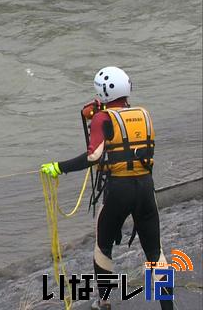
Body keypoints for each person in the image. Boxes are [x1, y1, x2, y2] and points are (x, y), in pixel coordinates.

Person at [40, 66, 172, 310]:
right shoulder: (144, 114)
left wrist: (59, 167)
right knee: (154, 252)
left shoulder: (102, 118)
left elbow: (94, 156)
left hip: (118, 191)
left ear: (101, 92)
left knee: (103, 247)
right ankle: (167, 307)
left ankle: (103, 302)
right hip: (145, 188)